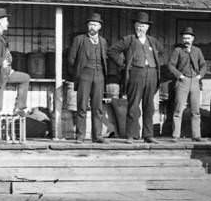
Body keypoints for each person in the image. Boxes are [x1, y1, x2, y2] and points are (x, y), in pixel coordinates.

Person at [110, 11, 164, 143]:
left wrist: (155, 66)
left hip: (151, 74)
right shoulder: (129, 39)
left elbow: (161, 53)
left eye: (143, 26)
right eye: (138, 25)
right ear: (135, 26)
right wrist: (123, 64)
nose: (141, 28)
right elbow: (112, 51)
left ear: (147, 27)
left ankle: (148, 135)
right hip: (136, 74)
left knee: (149, 107)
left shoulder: (153, 41)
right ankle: (130, 135)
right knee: (133, 106)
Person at [0, 7, 30, 144]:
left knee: (25, 78)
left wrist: (9, 69)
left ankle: (19, 107)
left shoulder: (0, 37)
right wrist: (1, 62)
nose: (8, 22)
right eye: (6, 19)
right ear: (0, 21)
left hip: (4, 73)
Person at [66, 12, 109, 143]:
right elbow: (71, 59)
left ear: (99, 27)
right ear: (87, 26)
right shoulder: (79, 39)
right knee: (82, 106)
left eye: (95, 25)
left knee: (98, 107)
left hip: (99, 75)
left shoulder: (103, 41)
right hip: (84, 75)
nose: (92, 27)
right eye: (90, 24)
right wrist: (79, 73)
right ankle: (80, 136)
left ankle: (97, 136)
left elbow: (104, 59)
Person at [167, 26, 207, 142]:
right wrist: (180, 75)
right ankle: (176, 135)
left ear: (192, 39)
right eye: (184, 38)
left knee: (195, 110)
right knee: (178, 109)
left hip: (195, 81)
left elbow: (203, 65)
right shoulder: (178, 51)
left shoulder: (197, 51)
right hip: (182, 81)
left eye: (188, 38)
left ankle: (196, 135)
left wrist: (200, 75)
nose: (186, 41)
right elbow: (170, 65)